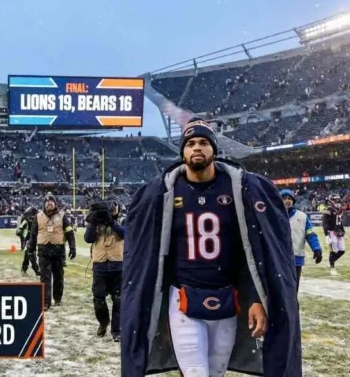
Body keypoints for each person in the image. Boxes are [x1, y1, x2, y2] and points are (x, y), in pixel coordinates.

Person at [121, 117, 301, 377]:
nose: (197, 147)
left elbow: (248, 253)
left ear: (213, 149)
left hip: (228, 298)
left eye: (204, 142)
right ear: (182, 151)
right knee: (195, 373)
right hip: (183, 297)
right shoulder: (164, 193)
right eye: (190, 143)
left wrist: (254, 298)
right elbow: (154, 254)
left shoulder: (239, 189)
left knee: (215, 374)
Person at [27, 193, 76, 311]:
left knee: (59, 277)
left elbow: (69, 233)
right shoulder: (38, 216)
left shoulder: (62, 216)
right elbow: (33, 235)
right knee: (45, 278)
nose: (49, 203)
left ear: (55, 204)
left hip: (58, 251)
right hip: (44, 251)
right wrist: (31, 250)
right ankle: (45, 302)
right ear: (44, 204)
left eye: (51, 201)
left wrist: (73, 247)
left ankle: (57, 299)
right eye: (47, 202)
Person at [84, 199, 123, 342]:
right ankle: (103, 321)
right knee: (98, 298)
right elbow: (88, 238)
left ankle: (117, 330)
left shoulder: (123, 220)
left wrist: (112, 221)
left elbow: (126, 234)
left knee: (119, 299)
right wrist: (94, 221)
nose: (112, 209)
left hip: (117, 264)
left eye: (115, 207)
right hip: (100, 264)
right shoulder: (96, 221)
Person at [280, 189, 322, 289]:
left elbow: (310, 234)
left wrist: (316, 248)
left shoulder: (302, 217)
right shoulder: (272, 216)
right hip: (278, 259)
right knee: (279, 289)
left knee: (294, 288)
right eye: (284, 198)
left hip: (296, 258)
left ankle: (293, 305)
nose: (287, 200)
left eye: (289, 198)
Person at [322, 193, 346, 276]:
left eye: (337, 199)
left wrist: (344, 231)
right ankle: (332, 268)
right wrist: (326, 235)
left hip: (339, 231)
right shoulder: (327, 209)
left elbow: (340, 221)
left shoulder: (339, 209)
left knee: (342, 250)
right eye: (335, 199)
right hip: (331, 232)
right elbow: (324, 223)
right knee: (333, 250)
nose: (337, 201)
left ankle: (331, 261)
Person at [17, 206, 40, 276]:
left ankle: (23, 269)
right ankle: (36, 270)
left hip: (30, 238)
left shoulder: (28, 219)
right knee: (31, 254)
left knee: (27, 255)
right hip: (29, 239)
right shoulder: (27, 220)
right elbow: (19, 231)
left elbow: (19, 231)